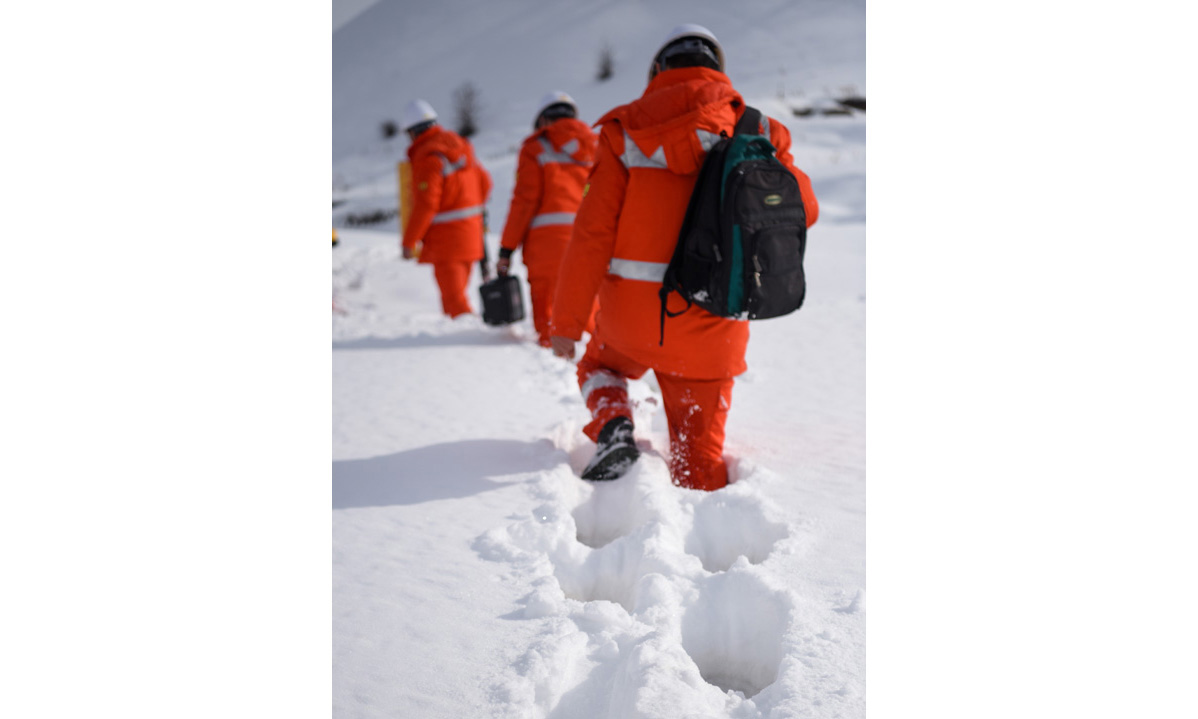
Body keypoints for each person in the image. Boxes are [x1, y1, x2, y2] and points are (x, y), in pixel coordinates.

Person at [549, 25, 820, 491]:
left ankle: (614, 424)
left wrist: (567, 324)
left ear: (658, 69)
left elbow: (591, 235)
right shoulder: (760, 130)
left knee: (598, 368)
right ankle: (709, 517)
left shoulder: (622, 131)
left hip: (630, 324)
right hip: (714, 327)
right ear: (717, 67)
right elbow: (804, 212)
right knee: (698, 460)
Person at [496, 91, 598, 347]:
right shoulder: (597, 145)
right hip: (592, 242)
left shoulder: (536, 148)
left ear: (542, 120)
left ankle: (555, 366)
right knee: (590, 315)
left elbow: (524, 202)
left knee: (552, 326)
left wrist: (506, 249)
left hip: (549, 247)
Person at [400, 99, 492, 318]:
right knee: (458, 298)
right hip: (472, 235)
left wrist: (409, 241)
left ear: (412, 133)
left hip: (447, 242)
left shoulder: (429, 157)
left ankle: (467, 338)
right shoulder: (461, 149)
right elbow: (486, 183)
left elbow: (426, 204)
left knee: (454, 304)